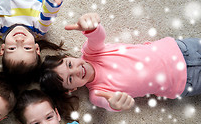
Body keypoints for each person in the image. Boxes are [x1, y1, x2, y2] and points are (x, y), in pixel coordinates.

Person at [39, 12, 200, 114]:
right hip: (183, 82)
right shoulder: (98, 93)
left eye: (69, 64)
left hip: (178, 49)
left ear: (68, 57)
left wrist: (91, 27)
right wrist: (114, 102)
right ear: (73, 89)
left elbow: (97, 37)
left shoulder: (90, 53)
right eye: (70, 79)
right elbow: (108, 102)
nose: (76, 71)